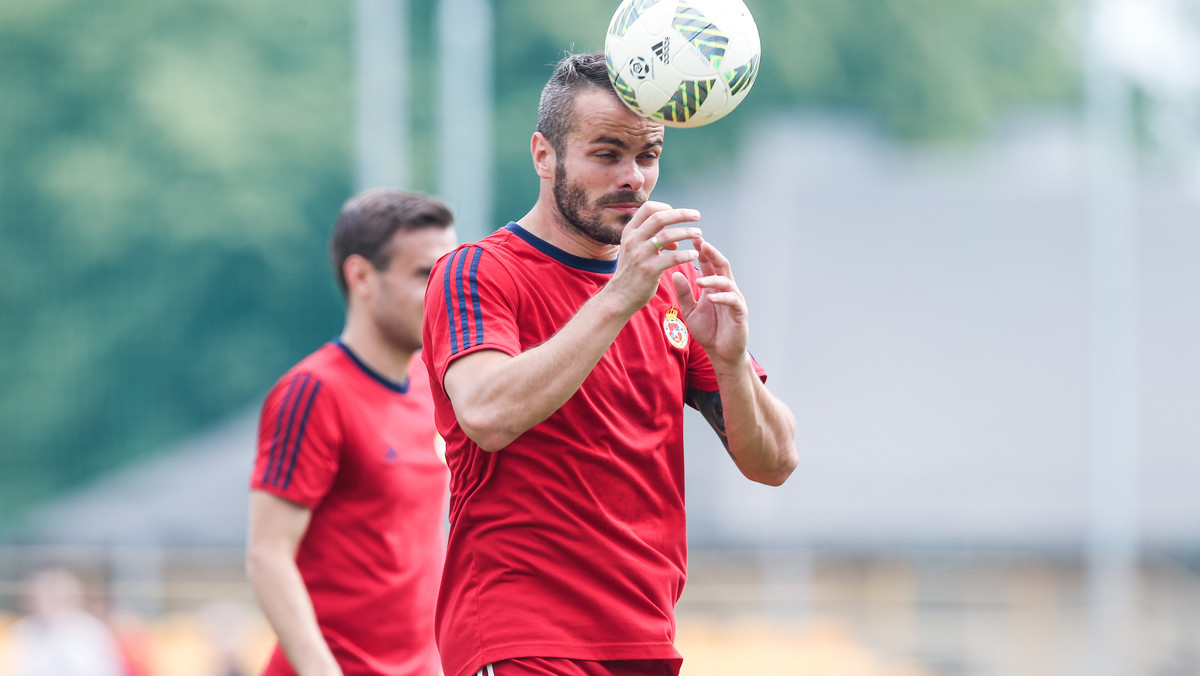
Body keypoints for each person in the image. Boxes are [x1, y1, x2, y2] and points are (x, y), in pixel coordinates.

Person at [421, 51, 798, 676]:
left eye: (647, 155)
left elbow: (775, 463)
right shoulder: (477, 272)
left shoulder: (673, 282)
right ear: (544, 155)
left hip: (646, 638)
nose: (633, 177)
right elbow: (486, 412)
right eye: (606, 154)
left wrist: (729, 361)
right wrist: (619, 296)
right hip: (524, 636)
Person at [247, 189, 457, 676]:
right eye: (425, 274)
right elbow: (267, 554)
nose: (443, 291)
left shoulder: (437, 384)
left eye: (447, 273)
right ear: (362, 276)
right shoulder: (313, 392)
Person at [8, 566, 129, 676]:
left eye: (57, 592)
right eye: (46, 592)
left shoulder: (92, 630)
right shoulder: (21, 630)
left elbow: (106, 671)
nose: (53, 598)